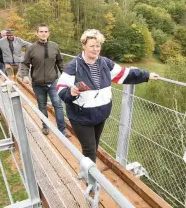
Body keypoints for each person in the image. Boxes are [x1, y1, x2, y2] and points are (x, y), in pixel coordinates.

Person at [56, 29, 159, 162]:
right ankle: (91, 181)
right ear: (84, 46)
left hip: (100, 115)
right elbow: (60, 89)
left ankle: (86, 171)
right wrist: (71, 92)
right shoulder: (74, 65)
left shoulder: (105, 63)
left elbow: (124, 74)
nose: (95, 49)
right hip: (81, 116)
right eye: (92, 46)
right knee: (89, 150)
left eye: (98, 46)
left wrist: (147, 75)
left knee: (94, 146)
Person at [20, 24, 70, 137]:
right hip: (38, 84)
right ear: (36, 33)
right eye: (41, 31)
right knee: (42, 105)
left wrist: (67, 76)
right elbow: (25, 63)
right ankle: (45, 126)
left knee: (58, 105)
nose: (43, 33)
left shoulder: (54, 46)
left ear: (49, 33)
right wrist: (24, 75)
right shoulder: (31, 48)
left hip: (53, 81)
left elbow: (60, 62)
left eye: (46, 31)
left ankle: (62, 130)